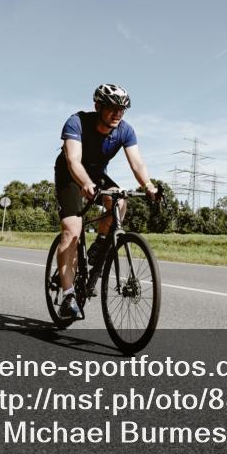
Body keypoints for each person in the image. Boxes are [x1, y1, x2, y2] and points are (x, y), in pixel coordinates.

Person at [53, 84, 158, 319]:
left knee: (120, 203)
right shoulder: (76, 122)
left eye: (122, 110)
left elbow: (137, 164)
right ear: (98, 106)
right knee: (72, 229)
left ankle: (99, 246)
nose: (118, 114)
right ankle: (68, 295)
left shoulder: (125, 130)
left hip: (96, 173)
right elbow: (73, 160)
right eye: (112, 108)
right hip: (70, 174)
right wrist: (85, 183)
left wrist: (149, 186)